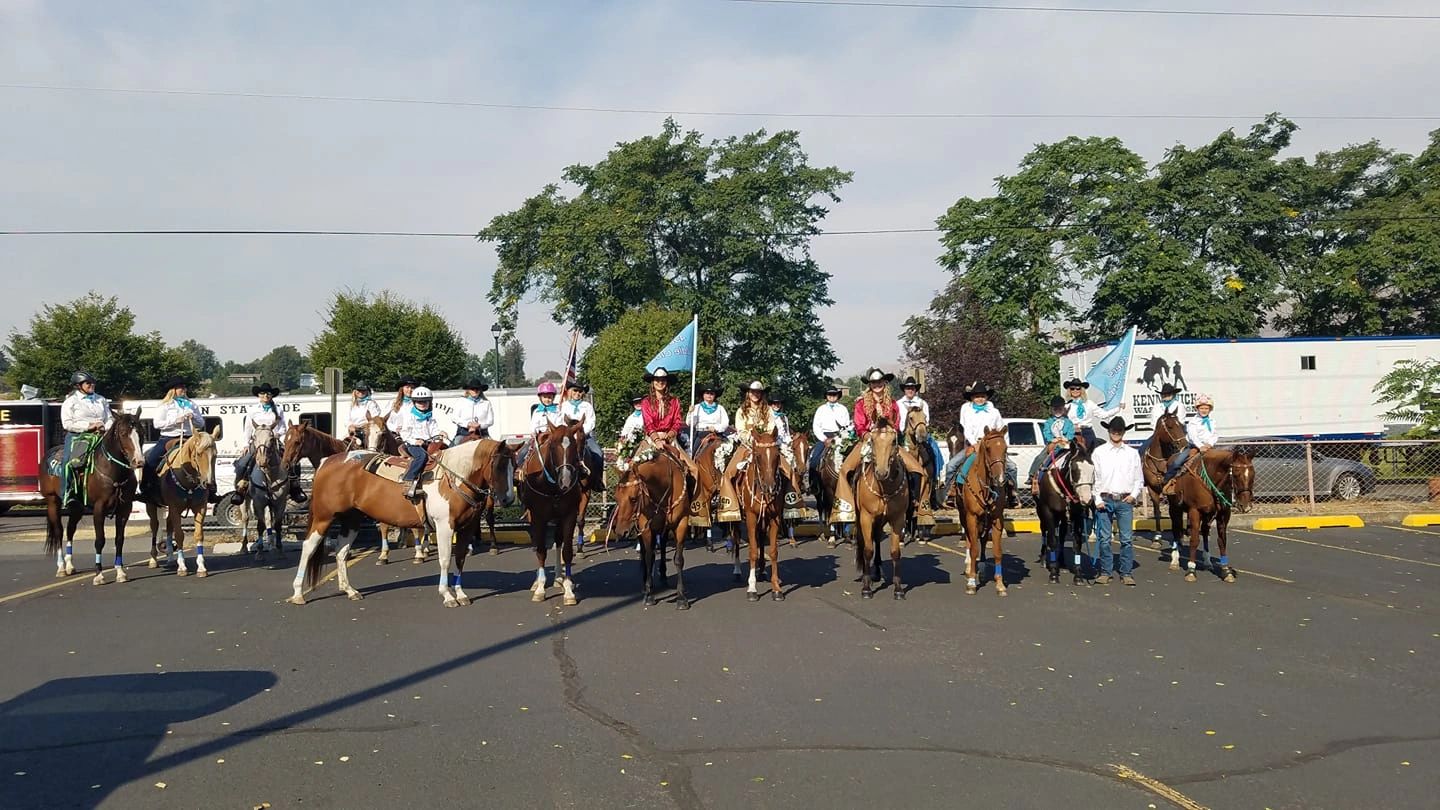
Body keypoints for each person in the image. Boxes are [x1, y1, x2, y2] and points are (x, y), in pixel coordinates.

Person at [832, 368, 927, 521]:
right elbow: (859, 424)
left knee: (917, 469)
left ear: (885, 383)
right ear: (870, 385)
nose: (877, 385)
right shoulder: (861, 404)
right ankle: (847, 507)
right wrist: (867, 434)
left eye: (879, 382)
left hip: (888, 441)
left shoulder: (893, 404)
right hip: (868, 440)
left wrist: (889, 434)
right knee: (845, 470)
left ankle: (915, 504)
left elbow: (896, 423)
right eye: (874, 383)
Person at [716, 381, 801, 521]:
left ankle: (792, 507)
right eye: (752, 392)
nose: (755, 394)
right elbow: (741, 430)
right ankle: (730, 508)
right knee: (728, 473)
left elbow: (772, 428)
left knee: (789, 471)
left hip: (767, 446)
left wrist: (765, 440)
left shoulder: (767, 410)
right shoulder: (741, 411)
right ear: (748, 393)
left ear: (761, 394)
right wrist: (752, 439)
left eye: (758, 392)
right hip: (747, 446)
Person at [940, 381, 1018, 508]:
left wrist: (1002, 446)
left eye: (982, 396)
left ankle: (1013, 494)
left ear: (987, 397)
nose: (980, 398)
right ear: (972, 397)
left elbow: (1002, 429)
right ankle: (950, 494)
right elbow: (966, 430)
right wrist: (974, 443)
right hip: (974, 445)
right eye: (976, 396)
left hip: (991, 447)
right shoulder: (967, 411)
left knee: (1012, 467)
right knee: (951, 465)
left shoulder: (994, 412)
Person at [141, 377, 216, 503]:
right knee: (150, 459)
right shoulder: (165, 406)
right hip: (169, 437)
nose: (183, 390)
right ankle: (146, 488)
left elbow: (201, 422)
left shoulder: (191, 405)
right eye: (180, 387)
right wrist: (176, 420)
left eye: (184, 387)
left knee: (206, 457)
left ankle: (212, 488)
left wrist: (194, 417)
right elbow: (157, 424)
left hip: (189, 438)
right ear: (173, 390)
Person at [1091, 416, 1144, 586]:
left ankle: (1126, 573)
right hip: (1105, 499)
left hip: (1124, 500)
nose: (1116, 433)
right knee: (1104, 538)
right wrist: (1097, 498)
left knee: (1126, 539)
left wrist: (1133, 495)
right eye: (1113, 430)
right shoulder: (1099, 452)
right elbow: (1094, 479)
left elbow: (1138, 479)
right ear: (1108, 431)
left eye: (1119, 430)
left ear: (1123, 432)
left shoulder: (1132, 453)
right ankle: (1106, 571)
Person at [230, 383, 294, 505]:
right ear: (259, 395)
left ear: (271, 396)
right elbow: (248, 428)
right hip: (257, 442)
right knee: (242, 463)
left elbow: (283, 428)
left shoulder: (278, 410)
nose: (265, 395)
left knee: (291, 461)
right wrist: (245, 445)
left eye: (268, 393)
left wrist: (277, 434)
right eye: (263, 393)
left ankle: (294, 486)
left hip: (273, 441)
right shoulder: (253, 410)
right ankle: (240, 489)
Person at [59, 371, 113, 508]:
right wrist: (89, 426)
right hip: (78, 437)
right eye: (88, 383)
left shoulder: (101, 399)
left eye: (93, 383)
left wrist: (104, 427)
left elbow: (110, 418)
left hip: (101, 436)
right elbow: (67, 423)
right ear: (79, 386)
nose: (92, 385)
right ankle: (68, 493)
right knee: (68, 463)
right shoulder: (70, 402)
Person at [393, 386, 448, 500]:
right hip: (412, 444)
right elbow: (404, 433)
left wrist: (440, 433)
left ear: (429, 402)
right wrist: (415, 441)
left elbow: (434, 430)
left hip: (427, 443)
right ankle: (408, 479)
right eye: (419, 402)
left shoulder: (429, 417)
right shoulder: (409, 415)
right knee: (421, 456)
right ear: (414, 402)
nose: (422, 404)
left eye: (425, 401)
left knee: (446, 451)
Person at [1163, 393, 1218, 492]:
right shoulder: (1193, 421)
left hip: (1209, 447)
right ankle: (1167, 482)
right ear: (1197, 409)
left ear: (1210, 409)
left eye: (1206, 408)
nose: (1204, 410)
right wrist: (1201, 446)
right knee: (1177, 462)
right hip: (1194, 447)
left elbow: (1214, 435)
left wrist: (1209, 444)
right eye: (1202, 408)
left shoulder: (1212, 421)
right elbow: (1193, 436)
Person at [561, 381, 605, 492]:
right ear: (570, 392)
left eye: (580, 391)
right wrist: (571, 432)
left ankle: (597, 480)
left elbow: (591, 422)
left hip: (584, 436)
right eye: (575, 390)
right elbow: (561, 421)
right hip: (568, 437)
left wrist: (581, 432)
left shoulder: (587, 406)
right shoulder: (564, 406)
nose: (577, 393)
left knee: (598, 453)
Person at [1030, 396, 1075, 496]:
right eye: (1055, 409)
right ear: (1052, 410)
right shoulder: (1049, 422)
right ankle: (1034, 476)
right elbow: (1046, 432)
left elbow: (1071, 432)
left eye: (1060, 408)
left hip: (1066, 444)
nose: (1058, 411)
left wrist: (1066, 439)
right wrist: (1052, 440)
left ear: (1064, 409)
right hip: (1053, 444)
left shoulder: (1068, 422)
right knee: (1040, 458)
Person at [1063, 377, 1122, 450]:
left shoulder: (1089, 403)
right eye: (1072, 388)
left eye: (1078, 388)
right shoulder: (1066, 406)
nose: (1075, 390)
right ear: (1069, 391)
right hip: (1073, 433)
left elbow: (1104, 415)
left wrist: (1118, 408)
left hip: (1087, 432)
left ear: (1082, 390)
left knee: (1096, 453)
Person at [809, 384, 852, 473]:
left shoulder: (843, 409)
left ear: (837, 396)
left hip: (840, 436)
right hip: (825, 436)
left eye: (834, 394)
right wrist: (824, 439)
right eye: (830, 395)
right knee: (814, 459)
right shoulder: (821, 409)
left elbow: (847, 425)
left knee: (852, 458)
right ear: (826, 396)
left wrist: (841, 437)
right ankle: (813, 483)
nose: (832, 397)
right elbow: (816, 426)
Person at [687, 385, 730, 452]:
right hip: (701, 433)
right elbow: (690, 423)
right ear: (703, 395)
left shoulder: (720, 408)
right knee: (693, 451)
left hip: (716, 433)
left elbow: (725, 423)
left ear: (715, 396)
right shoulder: (697, 407)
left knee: (729, 449)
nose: (709, 395)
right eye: (707, 393)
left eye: (712, 393)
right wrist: (690, 413)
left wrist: (716, 428)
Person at [347, 381, 382, 446]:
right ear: (355, 391)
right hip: (353, 432)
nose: (361, 392)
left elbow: (375, 419)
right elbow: (348, 418)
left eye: (363, 390)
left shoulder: (371, 403)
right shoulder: (352, 404)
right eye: (359, 390)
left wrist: (365, 426)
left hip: (366, 432)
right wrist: (350, 426)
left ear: (367, 391)